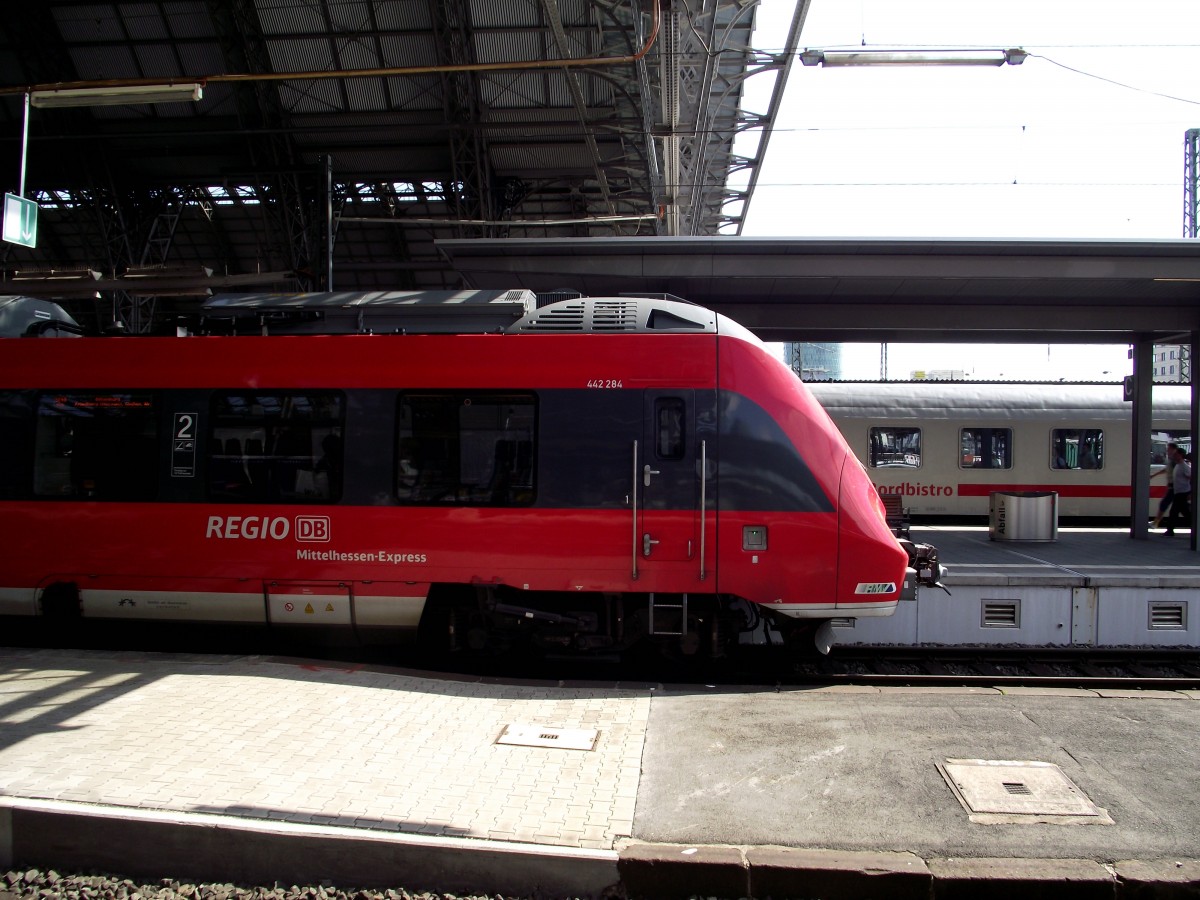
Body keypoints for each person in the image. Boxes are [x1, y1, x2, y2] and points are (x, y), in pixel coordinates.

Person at [1164, 448, 1192, 536]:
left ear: (1180, 455)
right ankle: (1195, 526)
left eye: (1176, 454)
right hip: (1179, 492)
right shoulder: (1178, 465)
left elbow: (1191, 478)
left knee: (1174, 512)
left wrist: (1190, 492)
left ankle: (1170, 531)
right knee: (1184, 512)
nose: (1174, 455)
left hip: (1183, 493)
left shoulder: (1184, 467)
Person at [1151, 442, 1178, 529]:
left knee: (1164, 503)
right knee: (1175, 506)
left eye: (1169, 449)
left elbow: (1176, 473)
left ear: (1174, 449)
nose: (1167, 451)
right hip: (1173, 486)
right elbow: (1166, 470)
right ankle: (1156, 522)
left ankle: (1156, 523)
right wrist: (1153, 475)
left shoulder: (1175, 461)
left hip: (1174, 487)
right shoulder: (1172, 460)